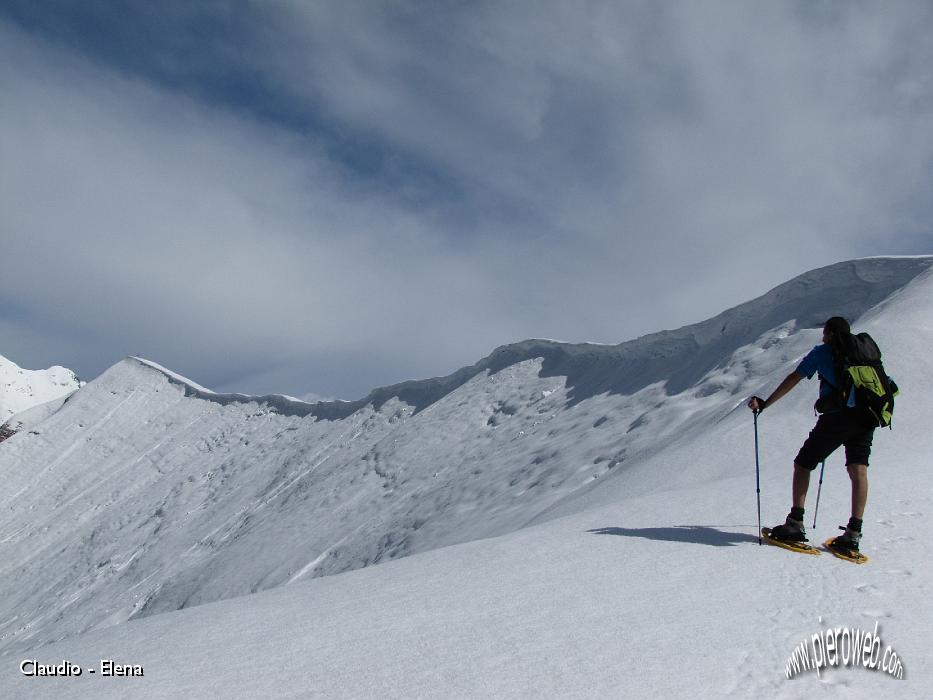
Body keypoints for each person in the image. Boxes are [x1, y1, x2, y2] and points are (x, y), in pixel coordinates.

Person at [747, 317, 874, 552]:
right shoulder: (864, 351)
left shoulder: (822, 352)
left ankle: (795, 523)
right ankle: (853, 534)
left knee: (803, 464)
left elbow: (794, 378)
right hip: (867, 417)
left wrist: (766, 403)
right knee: (858, 471)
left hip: (838, 417)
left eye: (825, 333)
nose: (822, 337)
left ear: (829, 334)